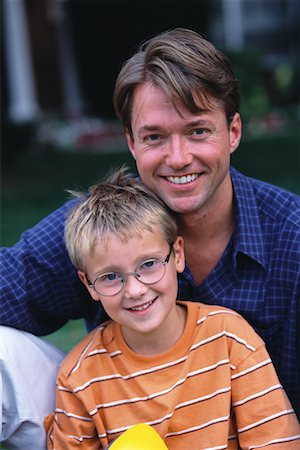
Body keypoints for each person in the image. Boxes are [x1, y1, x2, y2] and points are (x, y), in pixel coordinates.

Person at [0, 26, 299, 440]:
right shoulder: (103, 226)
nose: (178, 159)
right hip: (114, 424)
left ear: (232, 131)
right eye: (155, 137)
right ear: (131, 142)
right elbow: (8, 284)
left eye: (197, 131)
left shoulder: (292, 237)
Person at [45, 166, 300, 449]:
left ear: (177, 255)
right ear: (88, 283)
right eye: (110, 277)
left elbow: (277, 444)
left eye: (149, 264)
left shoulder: (231, 339)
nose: (135, 290)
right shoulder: (80, 376)